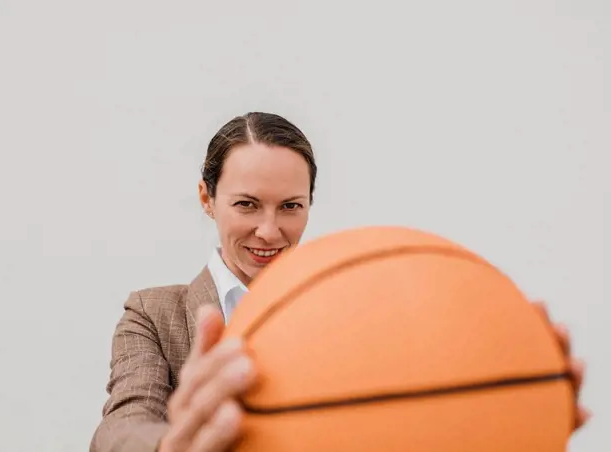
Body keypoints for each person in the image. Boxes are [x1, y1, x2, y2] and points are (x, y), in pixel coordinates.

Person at [90, 112, 590, 452]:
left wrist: (516, 411)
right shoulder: (153, 312)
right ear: (207, 198)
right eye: (246, 205)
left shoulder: (363, 307)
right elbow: (118, 429)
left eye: (291, 206)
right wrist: (172, 444)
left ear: (310, 201)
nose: (269, 230)